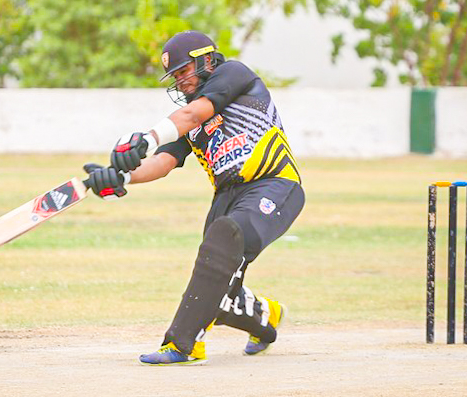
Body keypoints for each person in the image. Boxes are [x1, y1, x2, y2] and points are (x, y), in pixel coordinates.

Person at [84, 30, 305, 365]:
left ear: (207, 60)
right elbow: (163, 162)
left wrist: (147, 137)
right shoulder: (188, 115)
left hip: (274, 184)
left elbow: (193, 115)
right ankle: (265, 316)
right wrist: (121, 177)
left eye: (184, 71)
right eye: (174, 76)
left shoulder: (234, 74)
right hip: (226, 197)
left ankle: (182, 344)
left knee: (224, 240)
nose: (180, 81)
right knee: (217, 291)